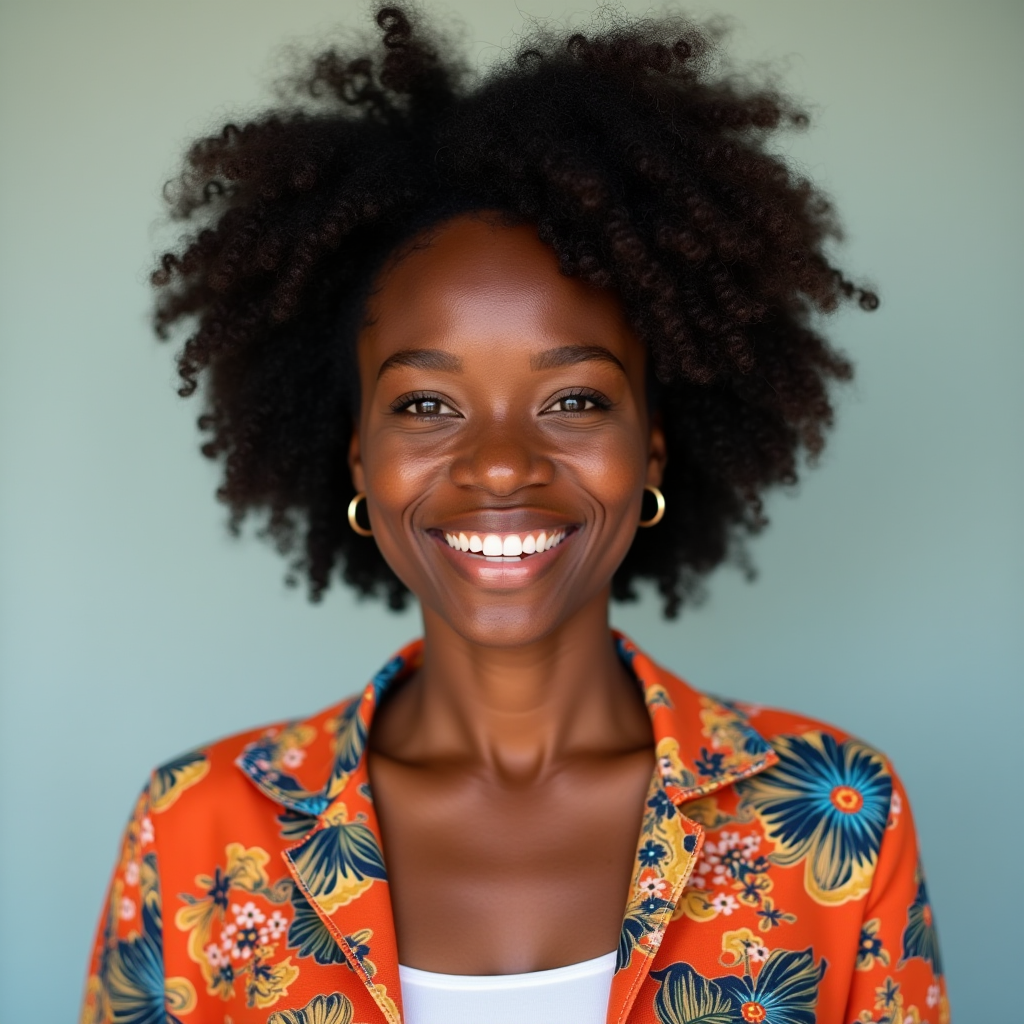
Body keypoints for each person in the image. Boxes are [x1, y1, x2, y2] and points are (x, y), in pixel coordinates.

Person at [82, 7, 948, 1023]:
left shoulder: (832, 814)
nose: (500, 464)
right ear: (359, 454)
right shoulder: (195, 829)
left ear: (652, 446)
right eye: (425, 404)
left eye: (574, 399)